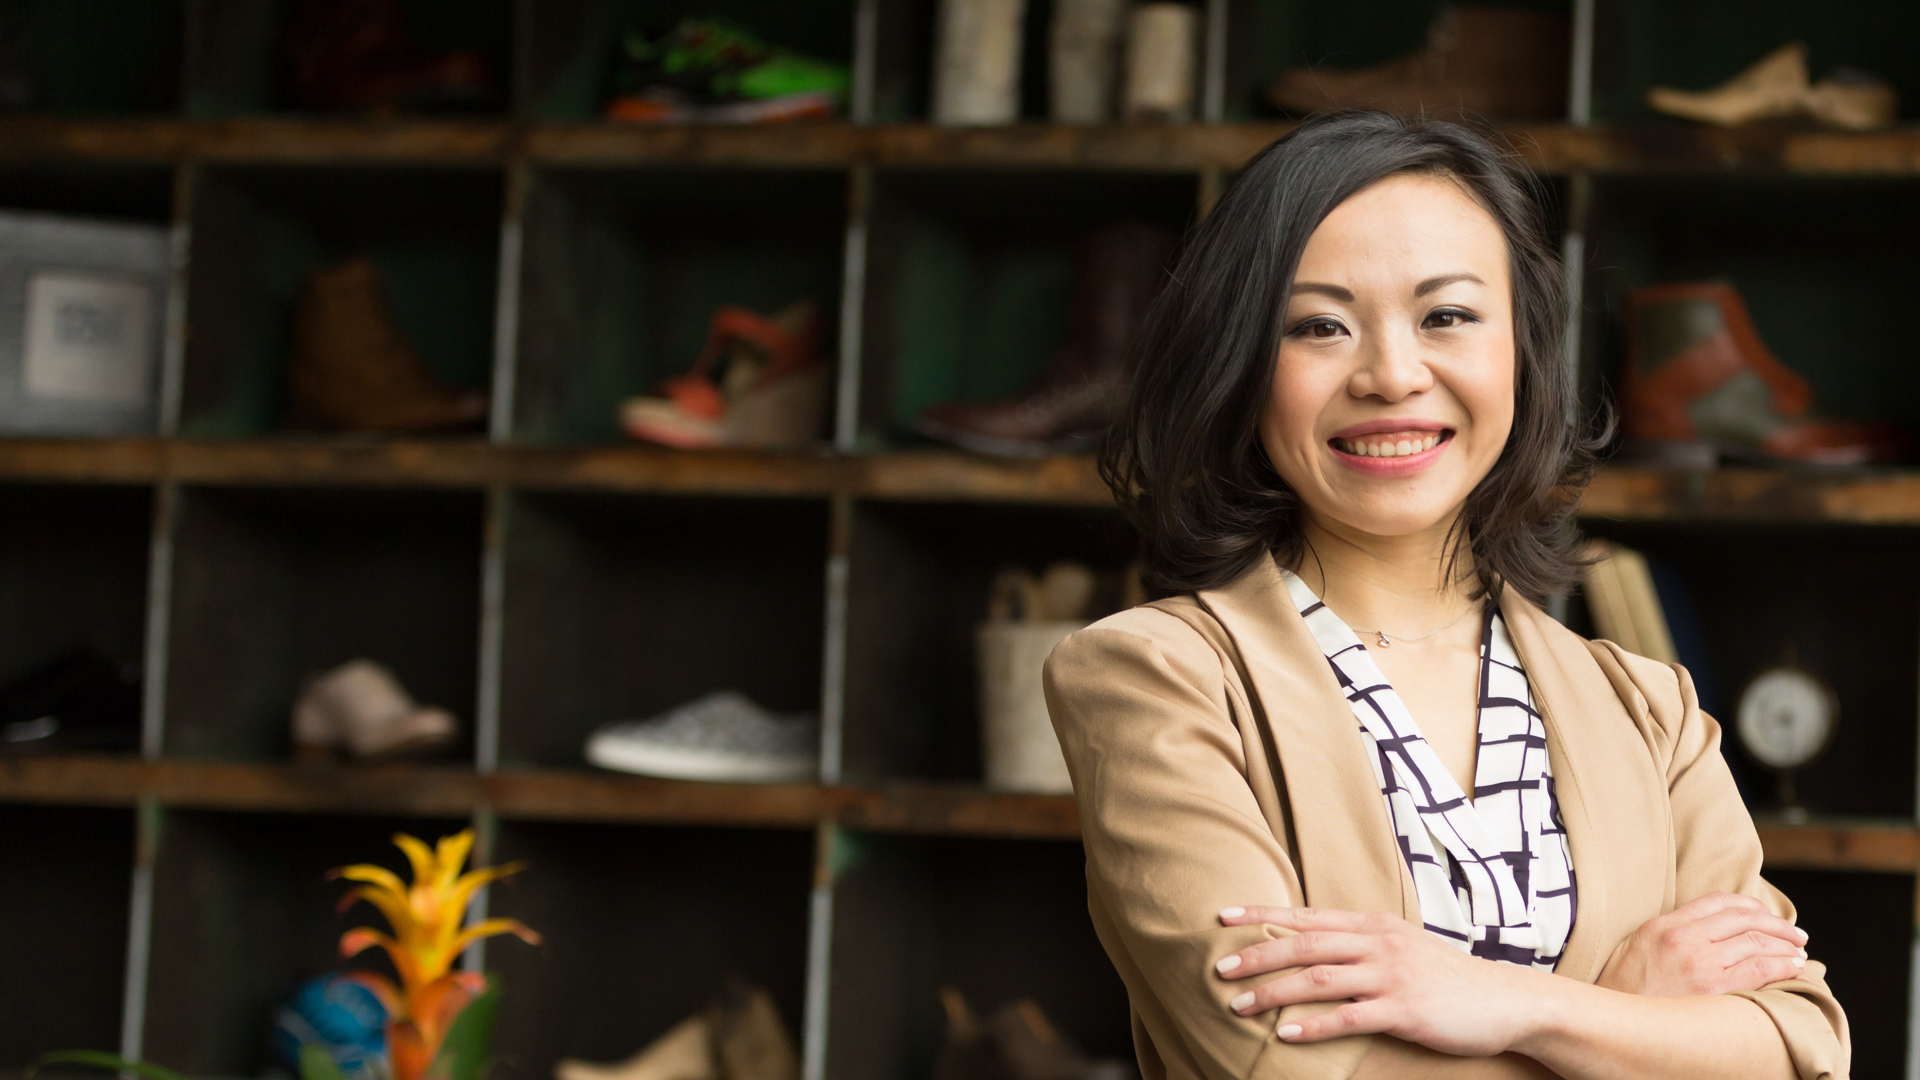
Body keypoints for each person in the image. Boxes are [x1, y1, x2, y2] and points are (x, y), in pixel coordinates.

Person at [1044, 111, 1848, 1080]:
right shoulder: (1156, 680)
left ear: (1521, 348)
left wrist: (1509, 1004)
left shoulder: (1653, 713)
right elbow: (1293, 1069)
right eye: (1319, 326)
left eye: (1447, 316)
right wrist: (1622, 1017)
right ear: (1244, 365)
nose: (1391, 374)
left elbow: (1798, 1047)